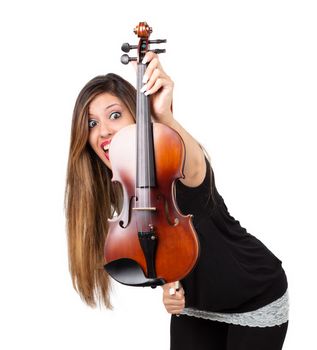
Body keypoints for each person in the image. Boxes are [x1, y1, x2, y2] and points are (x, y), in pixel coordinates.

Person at [65, 52, 289, 350]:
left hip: (252, 294)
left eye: (115, 115)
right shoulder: (125, 185)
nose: (103, 130)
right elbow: (167, 248)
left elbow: (197, 165)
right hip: (196, 305)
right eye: (91, 123)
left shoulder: (176, 163)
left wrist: (164, 116)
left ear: (138, 116)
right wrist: (170, 284)